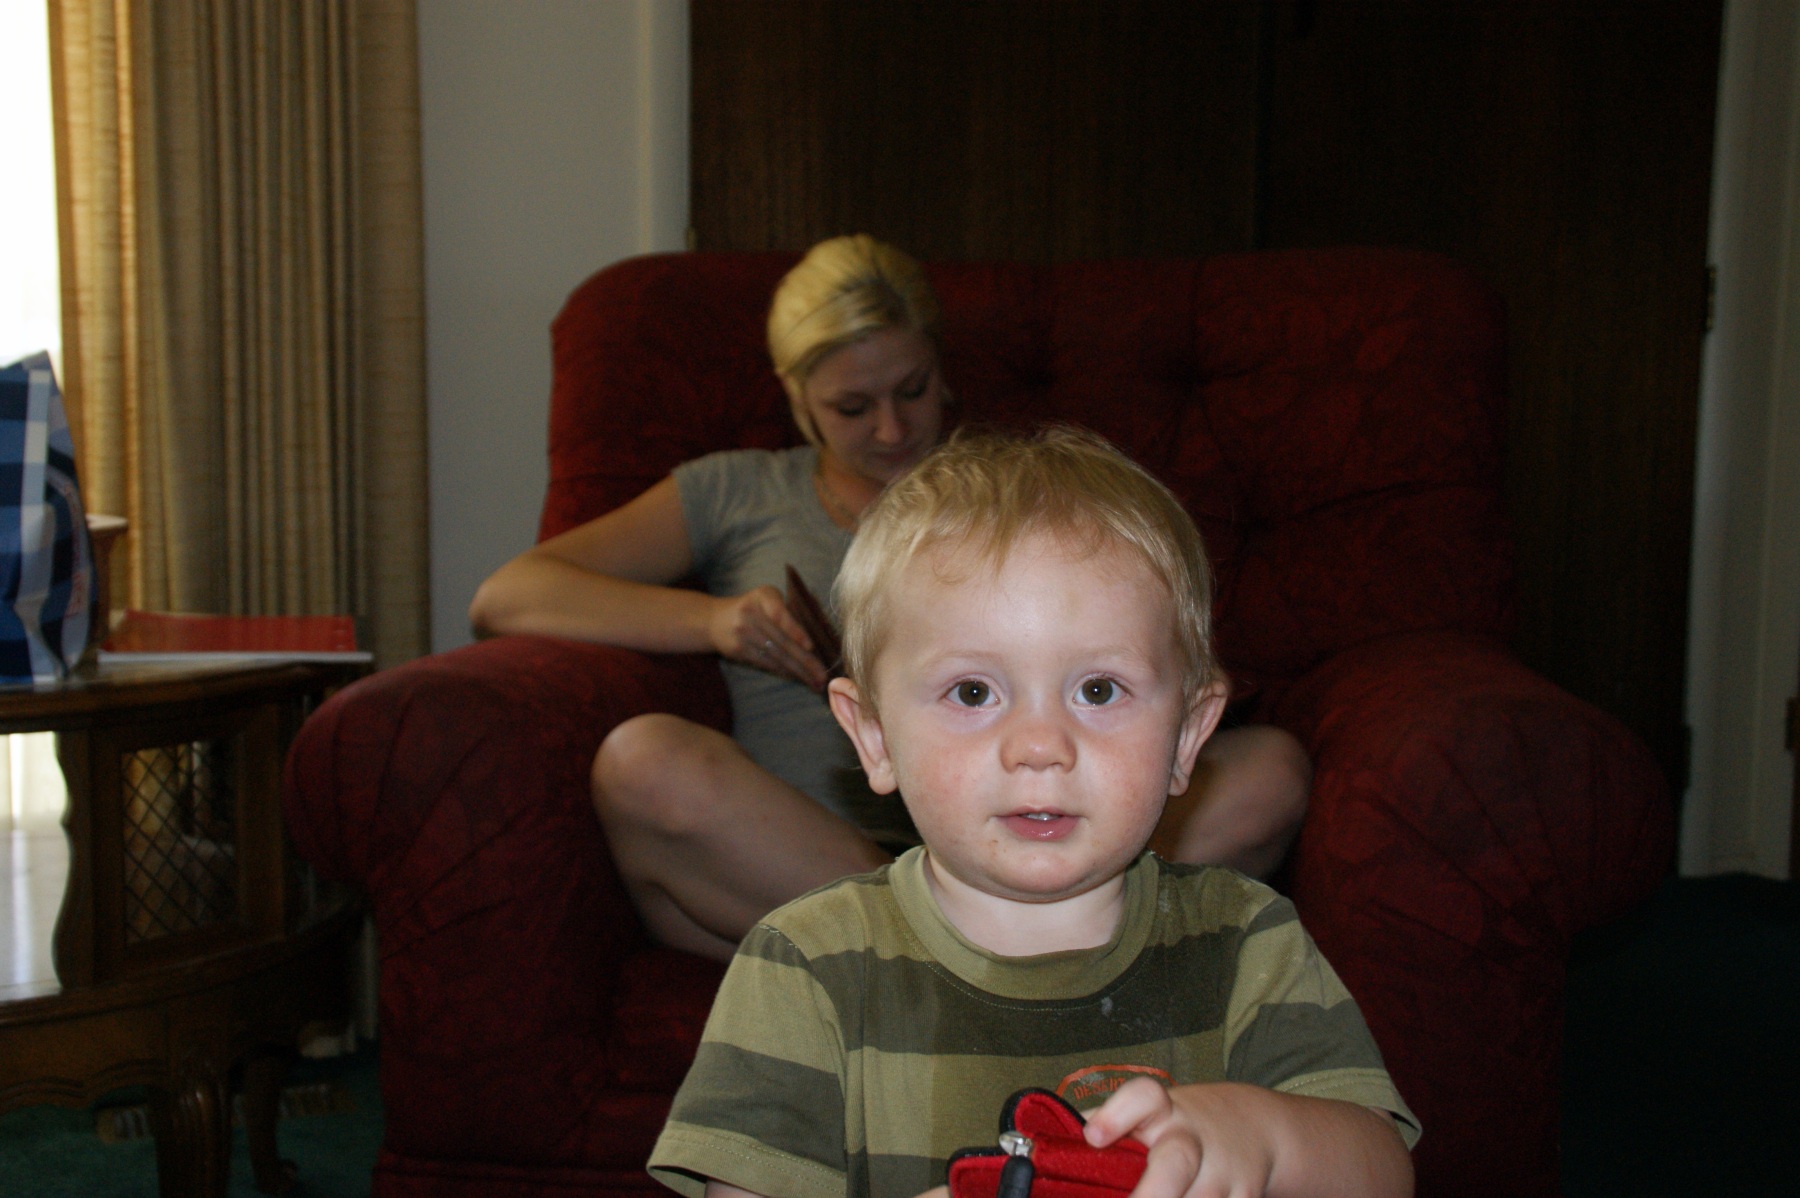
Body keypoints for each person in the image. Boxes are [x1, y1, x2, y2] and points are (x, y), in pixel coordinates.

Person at [468, 235, 1311, 964]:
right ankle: (977, 953)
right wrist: (713, 621)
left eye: (912, 389)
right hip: (811, 856)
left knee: (1271, 770)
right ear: (794, 396)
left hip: (1037, 839)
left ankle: (924, 962)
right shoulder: (736, 490)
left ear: (941, 366)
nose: (891, 430)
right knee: (639, 761)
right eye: (851, 407)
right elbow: (511, 594)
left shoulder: (1010, 491)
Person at [646, 428, 1417, 1198]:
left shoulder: (1245, 940)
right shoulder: (803, 965)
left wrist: (1261, 1136)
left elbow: (1383, 1174)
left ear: (1188, 736)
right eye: (973, 692)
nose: (1041, 747)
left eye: (1098, 690)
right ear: (874, 738)